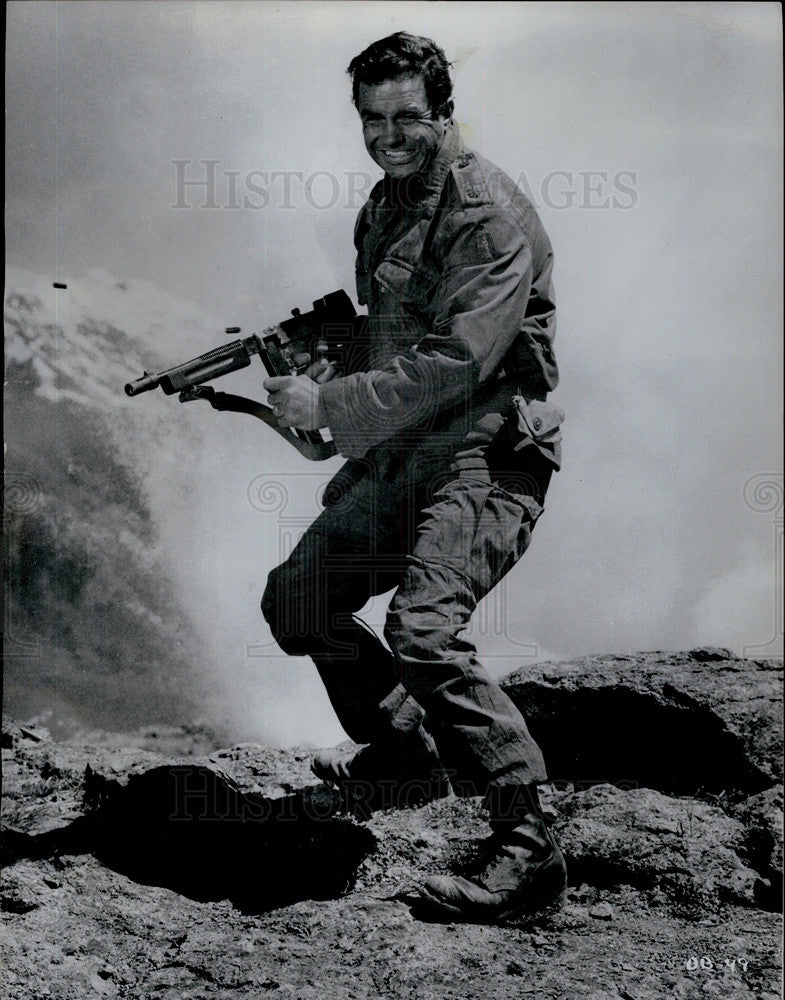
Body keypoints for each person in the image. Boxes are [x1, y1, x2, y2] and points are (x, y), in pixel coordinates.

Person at [262, 31, 567, 922]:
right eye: (371, 120)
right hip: (408, 453)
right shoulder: (386, 204)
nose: (388, 136)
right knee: (299, 599)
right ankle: (401, 759)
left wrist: (331, 405)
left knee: (425, 632)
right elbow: (395, 341)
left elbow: (454, 362)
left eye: (405, 118)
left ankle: (525, 845)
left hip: (484, 455)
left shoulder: (484, 214)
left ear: (441, 110)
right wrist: (323, 369)